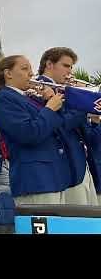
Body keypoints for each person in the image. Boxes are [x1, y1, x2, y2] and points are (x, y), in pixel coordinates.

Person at [0, 55, 70, 205]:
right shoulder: (3, 98)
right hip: (35, 180)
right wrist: (49, 108)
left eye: (31, 69)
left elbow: (59, 126)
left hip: (53, 177)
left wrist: (49, 102)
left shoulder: (27, 98)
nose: (31, 74)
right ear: (8, 74)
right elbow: (28, 134)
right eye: (25, 69)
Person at [36, 47, 97, 205]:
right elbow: (61, 124)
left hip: (81, 164)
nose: (70, 72)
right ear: (49, 64)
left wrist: (95, 119)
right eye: (66, 66)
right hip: (67, 166)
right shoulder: (40, 88)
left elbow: (84, 132)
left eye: (71, 67)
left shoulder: (64, 89)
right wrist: (84, 104)